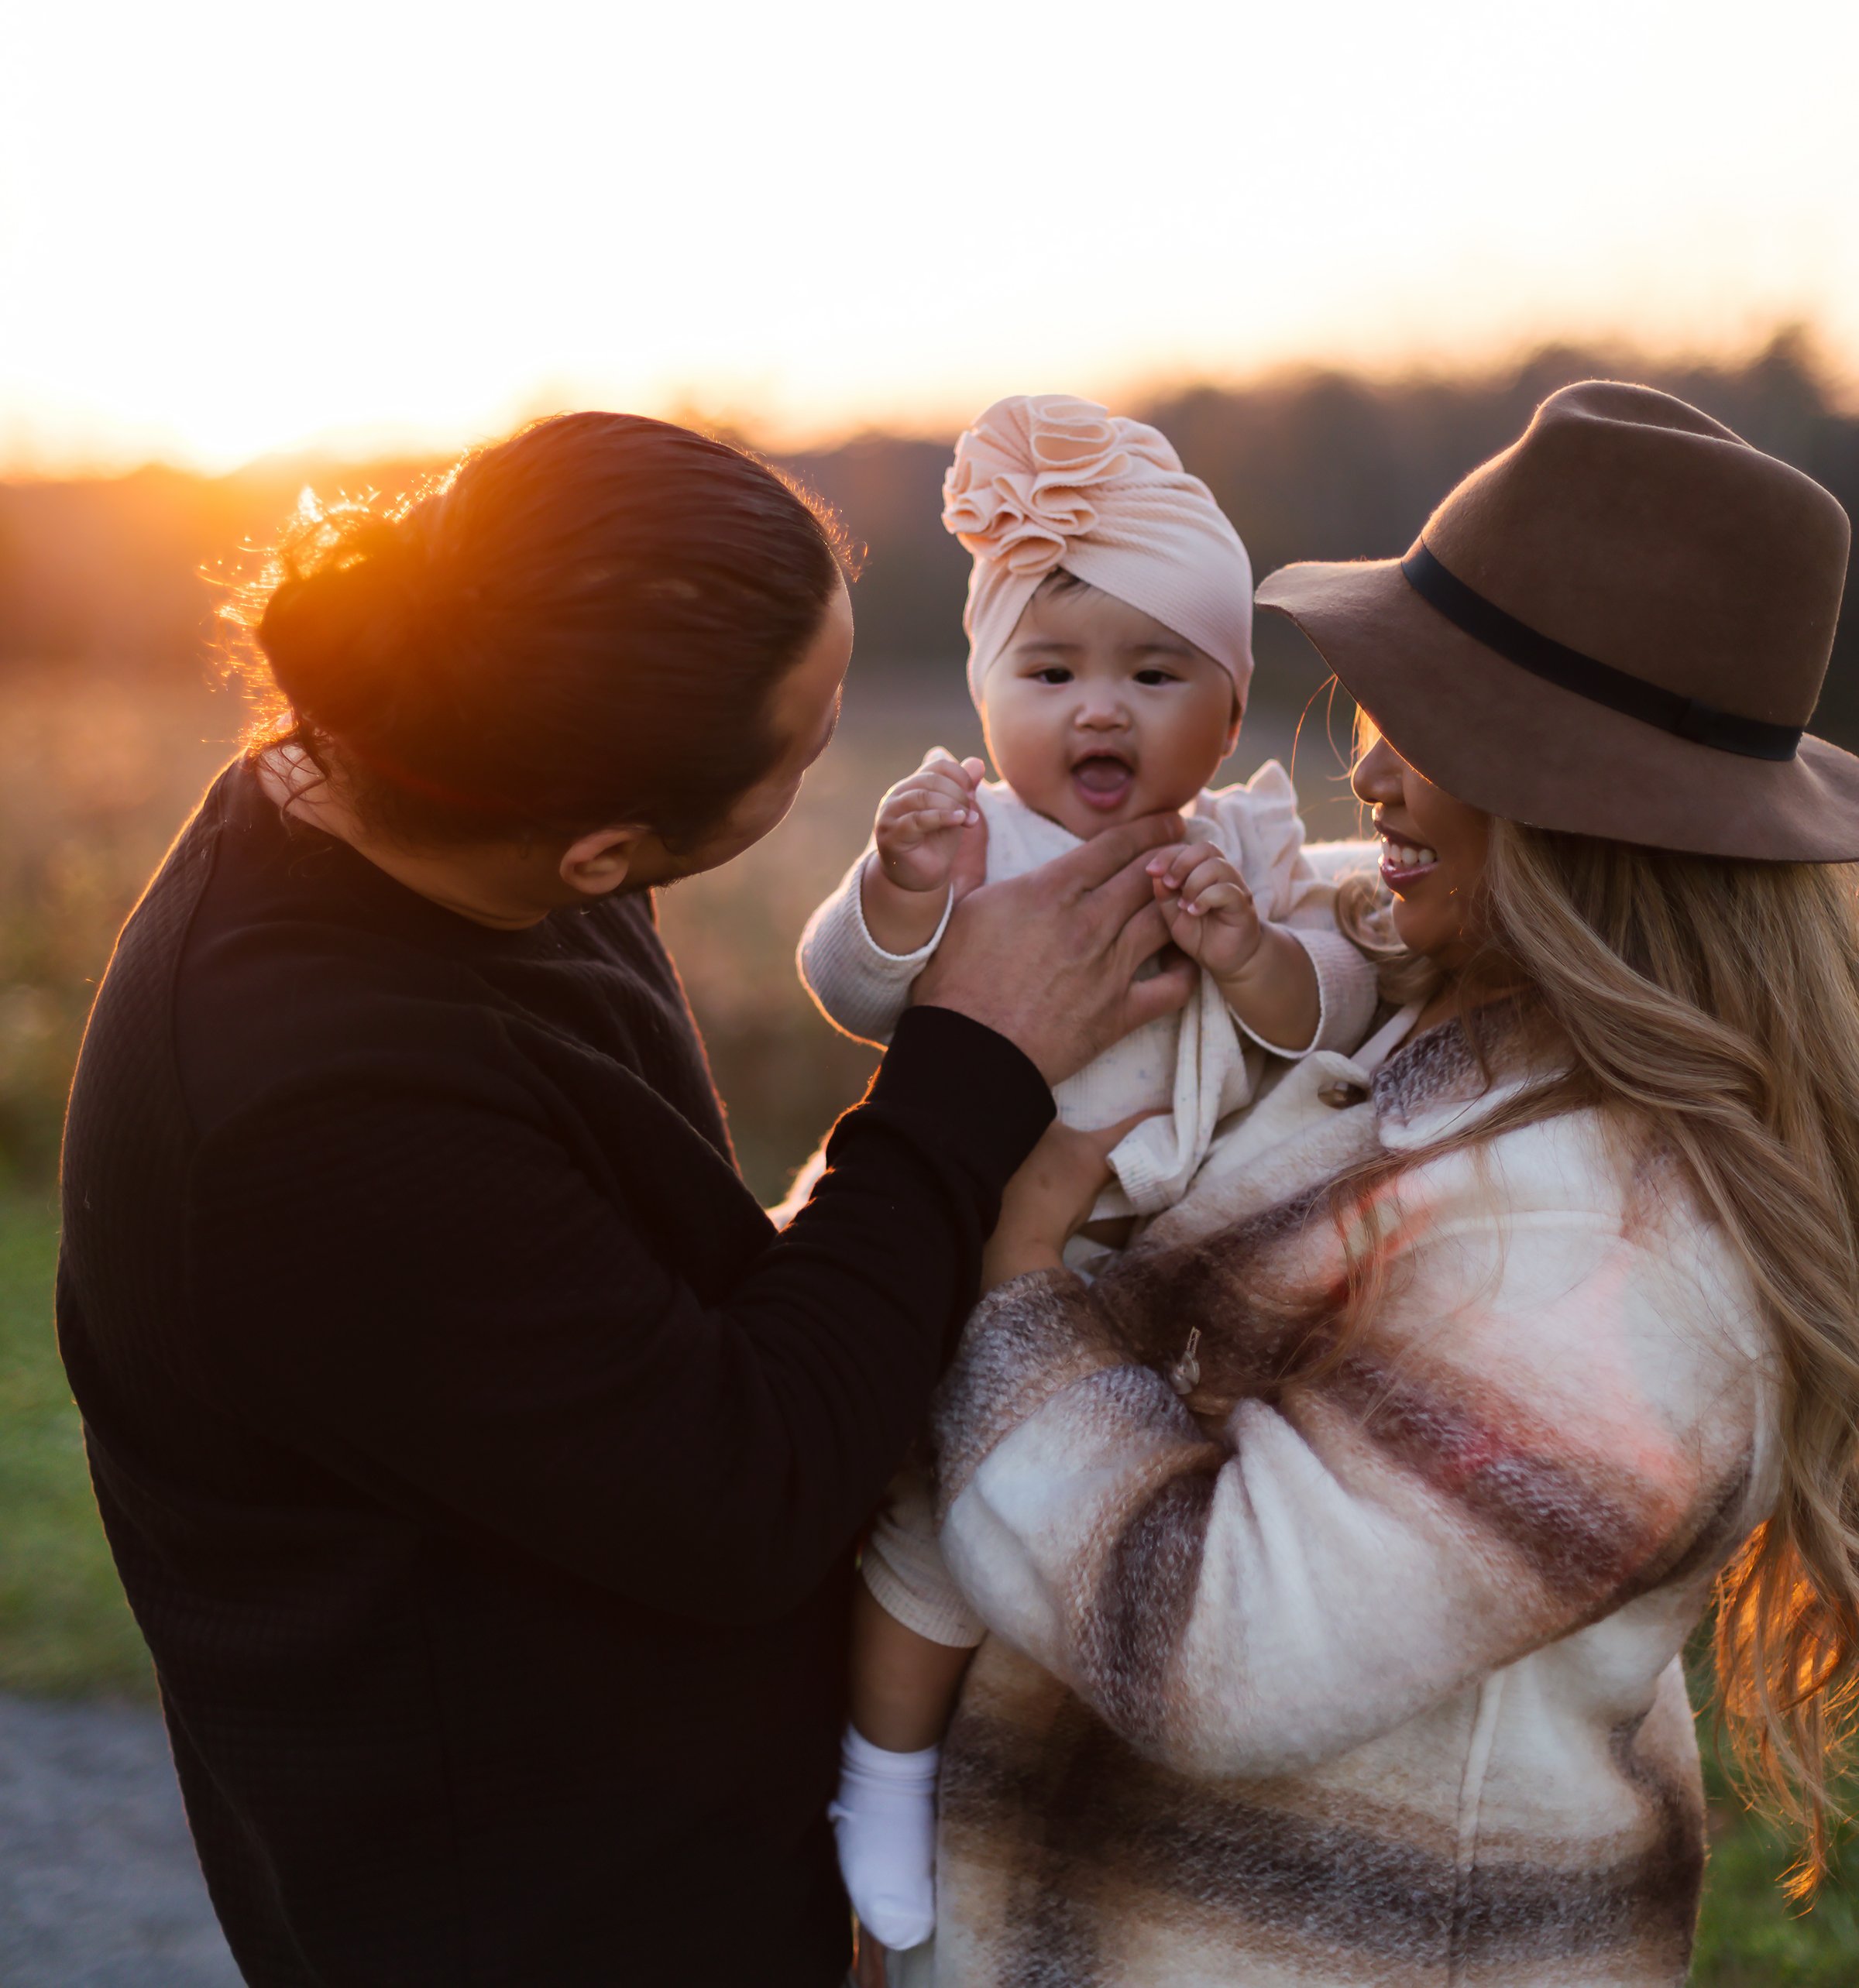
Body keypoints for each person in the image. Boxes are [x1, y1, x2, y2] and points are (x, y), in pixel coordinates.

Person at [55, 410, 1201, 1988]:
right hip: (551, 1907)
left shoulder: (442, 780)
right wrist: (971, 1063)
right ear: (605, 854)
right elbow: (747, 1488)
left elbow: (646, 1328)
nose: (833, 758)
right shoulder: (314, 1115)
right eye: (802, 757)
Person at [890, 381, 1859, 1986]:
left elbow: (1224, 1649)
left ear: (1596, 822)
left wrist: (1012, 1283)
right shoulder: (1417, 972)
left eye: (1445, 734)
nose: (1377, 773)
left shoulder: (1617, 1253)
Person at [796, 394, 1376, 1949]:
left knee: (1129, 1541)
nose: (1099, 711)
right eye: (1050, 674)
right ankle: (885, 1772)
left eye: (1153, 671)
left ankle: (1091, 1801)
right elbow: (852, 991)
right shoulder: (968, 839)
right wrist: (897, 892)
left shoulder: (1252, 855)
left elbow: (1335, 1007)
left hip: (1180, 1271)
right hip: (992, 1247)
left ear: (1230, 706)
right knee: (933, 1543)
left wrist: (1249, 954)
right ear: (989, 696)